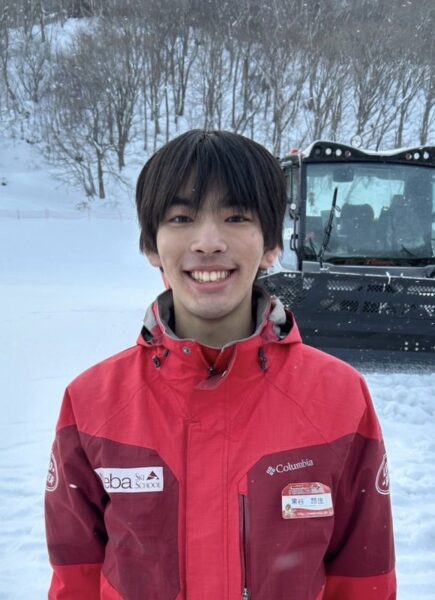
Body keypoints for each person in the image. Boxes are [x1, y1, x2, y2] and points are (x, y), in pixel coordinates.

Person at [45, 130, 396, 599]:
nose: (208, 242)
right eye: (181, 218)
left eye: (235, 217)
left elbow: (364, 578)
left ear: (271, 244)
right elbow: (76, 579)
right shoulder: (91, 403)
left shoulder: (339, 397)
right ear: (151, 245)